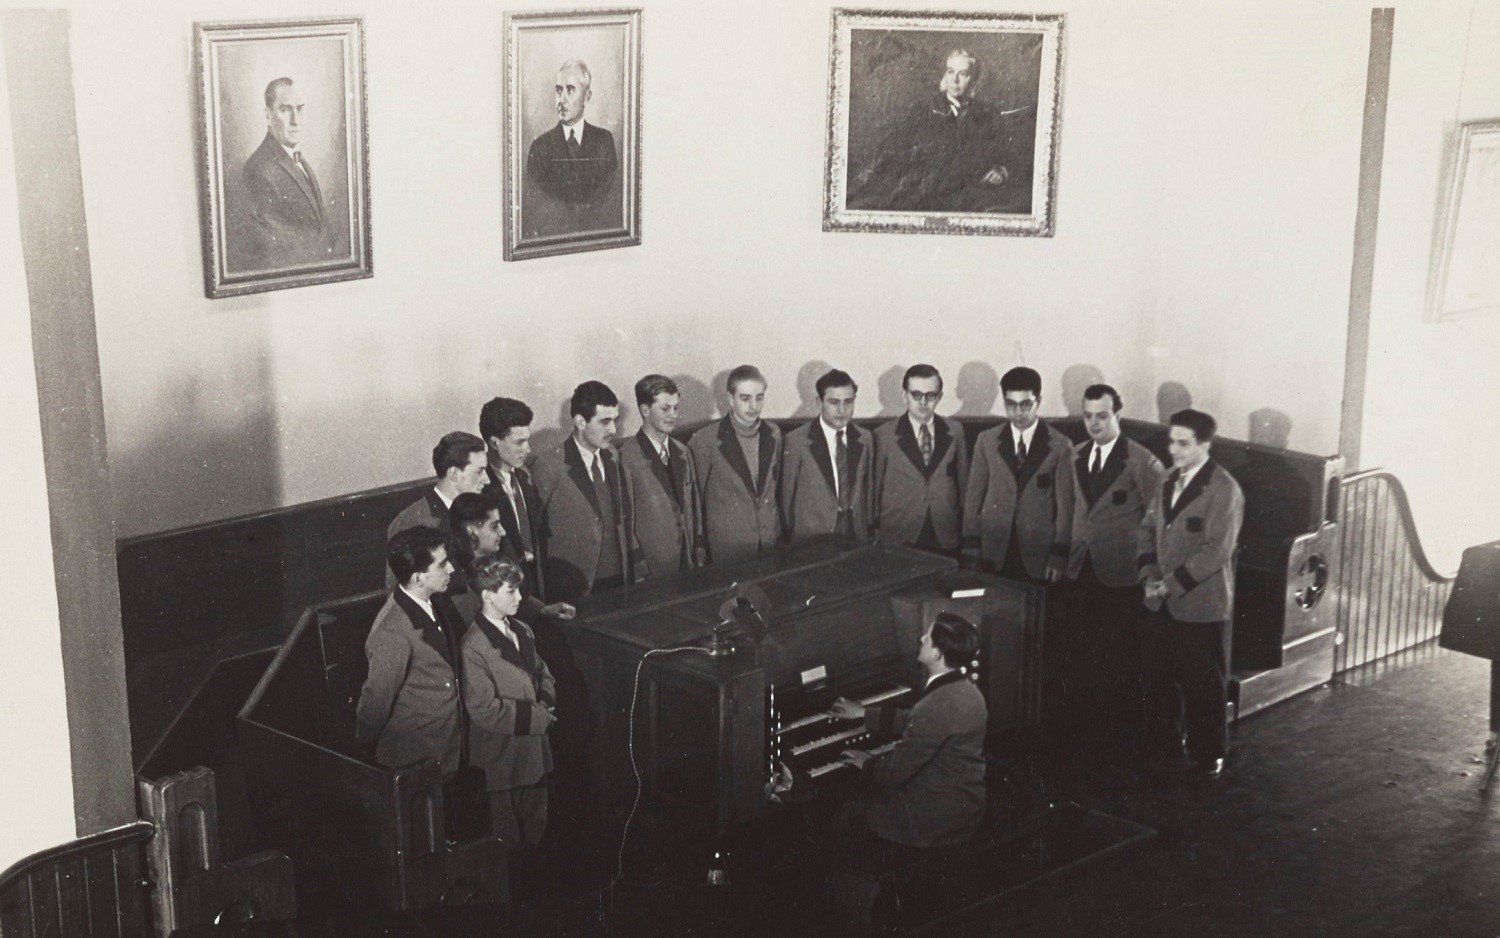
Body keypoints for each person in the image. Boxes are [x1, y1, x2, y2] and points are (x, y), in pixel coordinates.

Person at [1060, 384, 1166, 757]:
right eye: (1087, 416)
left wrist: (1150, 574)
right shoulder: (1075, 455)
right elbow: (1076, 512)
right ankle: (1090, 734)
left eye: (1102, 416)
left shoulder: (1142, 462)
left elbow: (1159, 523)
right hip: (1084, 569)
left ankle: (1123, 739)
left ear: (1117, 414)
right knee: (1086, 653)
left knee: (1122, 657)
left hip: (1124, 576)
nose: (1094, 423)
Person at [1138, 409, 1244, 778]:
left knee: (1204, 684)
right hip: (1162, 599)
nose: (1174, 450)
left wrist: (1171, 583)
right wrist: (1148, 572)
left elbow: (1216, 550)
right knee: (1161, 678)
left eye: (1183, 444)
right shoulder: (1167, 479)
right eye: (1172, 441)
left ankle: (1208, 753)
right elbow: (1148, 526)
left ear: (1205, 445)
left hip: (1202, 605)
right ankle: (1165, 745)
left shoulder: (1224, 489)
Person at [831, 612, 987, 849]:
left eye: (928, 636)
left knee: (846, 810)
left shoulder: (934, 706)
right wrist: (864, 713)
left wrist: (866, 762)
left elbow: (893, 773)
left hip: (932, 820)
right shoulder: (970, 692)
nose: (921, 638)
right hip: (965, 805)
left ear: (937, 654)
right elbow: (918, 721)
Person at [847, 49, 1035, 215]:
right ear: (945, 75)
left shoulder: (987, 114)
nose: (955, 80)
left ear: (973, 79)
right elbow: (893, 151)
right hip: (930, 196)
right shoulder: (924, 111)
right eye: (951, 72)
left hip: (974, 195)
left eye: (963, 74)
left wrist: (1001, 171)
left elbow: (1006, 154)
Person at [355, 526, 466, 778]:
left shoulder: (431, 601)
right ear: (418, 578)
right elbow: (375, 703)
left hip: (446, 752)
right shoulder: (392, 632)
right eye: (443, 564)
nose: (451, 569)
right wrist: (365, 744)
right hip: (418, 762)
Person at [462, 557, 557, 848]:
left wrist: (547, 700)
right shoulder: (474, 646)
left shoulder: (522, 630)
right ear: (488, 596)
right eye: (511, 591)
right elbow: (483, 710)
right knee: (507, 841)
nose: (519, 597)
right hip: (502, 760)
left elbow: (543, 673)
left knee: (536, 827)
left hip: (534, 753)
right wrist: (538, 718)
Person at [530, 381, 646, 601]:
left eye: (615, 421)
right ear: (580, 422)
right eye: (604, 422)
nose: (613, 430)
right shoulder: (549, 465)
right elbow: (536, 538)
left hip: (619, 583)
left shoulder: (614, 457)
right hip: (574, 589)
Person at [963, 366, 1073, 580]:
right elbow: (973, 501)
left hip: (1037, 551)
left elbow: (1065, 510)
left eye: (1025, 404)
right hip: (993, 548)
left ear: (1038, 402)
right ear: (1004, 403)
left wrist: (1058, 556)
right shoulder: (986, 441)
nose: (1018, 412)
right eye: (1011, 405)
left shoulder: (1060, 446)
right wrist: (970, 548)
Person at [477, 397, 575, 621]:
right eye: (519, 442)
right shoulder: (482, 488)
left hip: (534, 595)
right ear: (494, 442)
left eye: (527, 441)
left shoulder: (523, 476)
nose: (527, 449)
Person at [688, 365, 783, 565]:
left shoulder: (773, 433)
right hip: (728, 551)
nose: (754, 406)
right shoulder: (706, 440)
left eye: (759, 397)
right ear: (731, 399)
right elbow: (696, 501)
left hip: (770, 545)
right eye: (745, 398)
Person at [872, 364, 968, 555]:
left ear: (939, 397)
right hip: (899, 532)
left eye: (930, 395)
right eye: (916, 394)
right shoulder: (883, 435)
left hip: (944, 530)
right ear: (904, 395)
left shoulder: (955, 431)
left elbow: (963, 484)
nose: (923, 402)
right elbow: (874, 490)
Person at [239, 77, 335, 268]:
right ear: (268, 115)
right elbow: (274, 246)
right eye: (285, 110)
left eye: (299, 109)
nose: (295, 120)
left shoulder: (299, 160)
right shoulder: (259, 169)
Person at [522, 59, 621, 236]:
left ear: (587, 95)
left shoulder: (604, 142)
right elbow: (536, 210)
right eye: (558, 90)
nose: (562, 99)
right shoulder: (540, 148)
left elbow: (611, 204)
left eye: (570, 90)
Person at [619, 374, 704, 575]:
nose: (673, 414)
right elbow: (624, 522)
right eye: (665, 409)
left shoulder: (682, 451)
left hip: (688, 560)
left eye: (676, 408)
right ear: (645, 410)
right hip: (653, 566)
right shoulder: (627, 457)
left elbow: (695, 505)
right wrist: (639, 567)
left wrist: (698, 549)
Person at [781, 369, 874, 544]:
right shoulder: (796, 442)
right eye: (834, 402)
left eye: (848, 402)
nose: (842, 410)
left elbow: (867, 491)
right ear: (819, 402)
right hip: (812, 536)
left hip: (855, 530)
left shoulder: (865, 438)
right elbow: (786, 500)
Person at [387, 431, 488, 540]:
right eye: (479, 472)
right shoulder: (410, 523)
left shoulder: (485, 510)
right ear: (453, 474)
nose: (487, 480)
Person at [444, 492, 505, 622]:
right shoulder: (457, 584)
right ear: (471, 531)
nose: (503, 532)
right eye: (494, 526)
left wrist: (540, 609)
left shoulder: (492, 558)